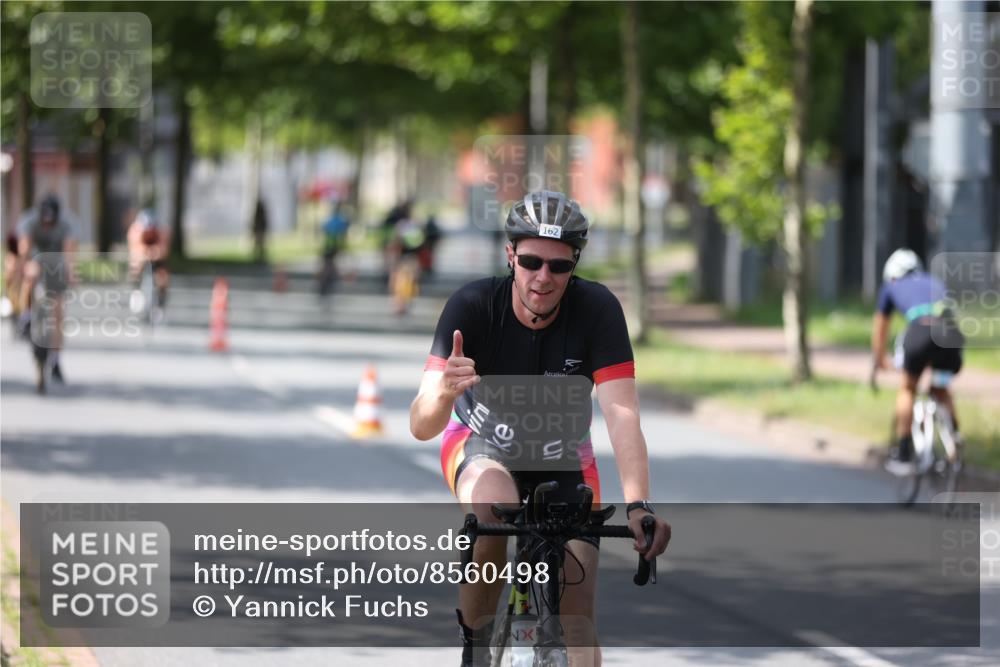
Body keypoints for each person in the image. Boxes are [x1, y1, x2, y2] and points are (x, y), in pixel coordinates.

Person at [409, 191, 671, 667]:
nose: (543, 277)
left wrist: (639, 504)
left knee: (577, 616)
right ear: (511, 255)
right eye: (531, 261)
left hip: (564, 457)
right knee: (493, 508)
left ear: (575, 264)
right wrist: (444, 392)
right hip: (481, 444)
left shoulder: (598, 310)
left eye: (559, 266)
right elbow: (421, 425)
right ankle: (477, 648)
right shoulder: (471, 306)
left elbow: (622, 413)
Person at [872, 248, 965, 470]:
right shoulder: (934, 281)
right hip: (950, 336)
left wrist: (879, 358)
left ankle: (904, 454)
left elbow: (880, 329)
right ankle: (956, 441)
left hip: (920, 333)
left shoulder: (890, 286)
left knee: (908, 388)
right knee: (940, 389)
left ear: (892, 274)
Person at [16, 194, 77, 383]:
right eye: (45, 219)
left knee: (58, 314)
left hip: (56, 264)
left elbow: (69, 253)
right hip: (37, 260)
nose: (48, 224)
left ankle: (56, 360)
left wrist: (71, 274)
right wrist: (22, 268)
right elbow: (24, 248)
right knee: (31, 274)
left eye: (52, 220)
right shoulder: (29, 221)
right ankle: (26, 316)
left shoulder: (67, 224)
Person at [126, 208, 171, 320]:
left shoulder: (162, 231)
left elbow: (164, 250)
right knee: (136, 265)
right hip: (142, 254)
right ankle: (136, 291)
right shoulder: (135, 230)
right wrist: (146, 253)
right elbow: (135, 249)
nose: (149, 232)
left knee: (163, 277)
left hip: (157, 256)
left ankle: (160, 304)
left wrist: (156, 253)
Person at [319, 202, 350, 297]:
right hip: (333, 246)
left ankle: (327, 282)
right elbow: (342, 235)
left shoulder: (330, 221)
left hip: (328, 246)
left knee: (328, 264)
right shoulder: (340, 221)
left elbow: (324, 231)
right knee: (329, 265)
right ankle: (327, 282)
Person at [251, 199, 269, 264]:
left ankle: (260, 258)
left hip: (259, 230)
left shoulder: (260, 215)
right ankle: (259, 258)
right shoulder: (260, 215)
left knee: (260, 245)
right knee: (259, 245)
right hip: (259, 230)